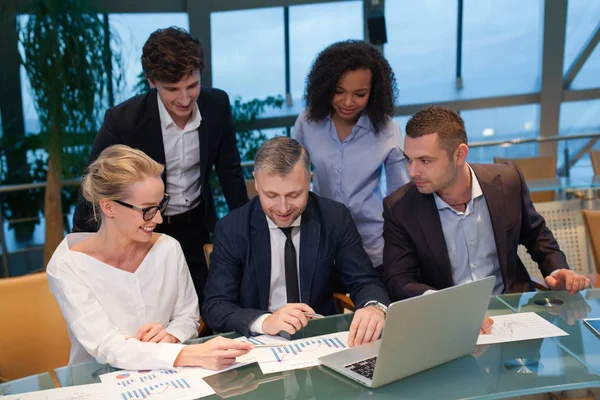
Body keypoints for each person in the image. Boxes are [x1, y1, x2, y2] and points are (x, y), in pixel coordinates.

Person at [72, 27, 248, 307]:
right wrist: (89, 248)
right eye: (172, 89)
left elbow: (230, 172)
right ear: (152, 81)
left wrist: (248, 229)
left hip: (196, 227)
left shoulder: (217, 105)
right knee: (151, 310)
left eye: (192, 85)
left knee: (204, 307)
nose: (185, 98)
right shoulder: (123, 120)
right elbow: (93, 184)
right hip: (141, 232)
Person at [382, 106, 591, 330]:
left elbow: (537, 235)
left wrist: (556, 271)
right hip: (448, 324)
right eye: (409, 159)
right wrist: (445, 303)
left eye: (425, 161)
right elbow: (398, 280)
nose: (413, 172)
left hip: (513, 314)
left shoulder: (507, 181)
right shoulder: (400, 207)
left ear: (459, 155)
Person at [48, 145, 251, 370]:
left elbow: (188, 318)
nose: (159, 220)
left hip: (167, 380)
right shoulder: (68, 265)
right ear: (108, 207)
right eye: (147, 209)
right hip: (99, 382)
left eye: (160, 205)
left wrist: (171, 336)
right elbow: (107, 346)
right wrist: (184, 354)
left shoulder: (168, 248)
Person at [202, 137, 390, 346]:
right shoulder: (232, 228)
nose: (283, 208)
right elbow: (215, 306)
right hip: (257, 343)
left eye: (294, 195)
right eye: (271, 195)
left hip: (320, 339)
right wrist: (266, 321)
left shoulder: (334, 218)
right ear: (256, 181)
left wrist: (374, 306)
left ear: (309, 180)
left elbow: (364, 281)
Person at [293, 40, 409, 273]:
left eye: (359, 94)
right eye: (339, 92)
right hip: (322, 243)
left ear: (373, 92)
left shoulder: (387, 130)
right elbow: (292, 177)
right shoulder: (307, 122)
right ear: (325, 87)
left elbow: (402, 196)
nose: (347, 102)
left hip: (374, 245)